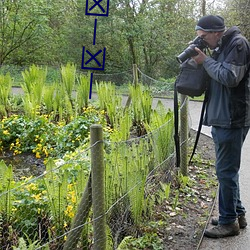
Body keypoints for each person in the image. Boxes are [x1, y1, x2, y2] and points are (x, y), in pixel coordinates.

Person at [192, 15, 250, 238]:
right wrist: (202, 60)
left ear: (216, 32)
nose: (203, 41)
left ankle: (228, 223)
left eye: (204, 37)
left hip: (232, 118)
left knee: (225, 171)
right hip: (222, 117)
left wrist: (205, 61)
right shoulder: (221, 46)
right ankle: (237, 214)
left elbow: (229, 77)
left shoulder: (238, 44)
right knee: (227, 171)